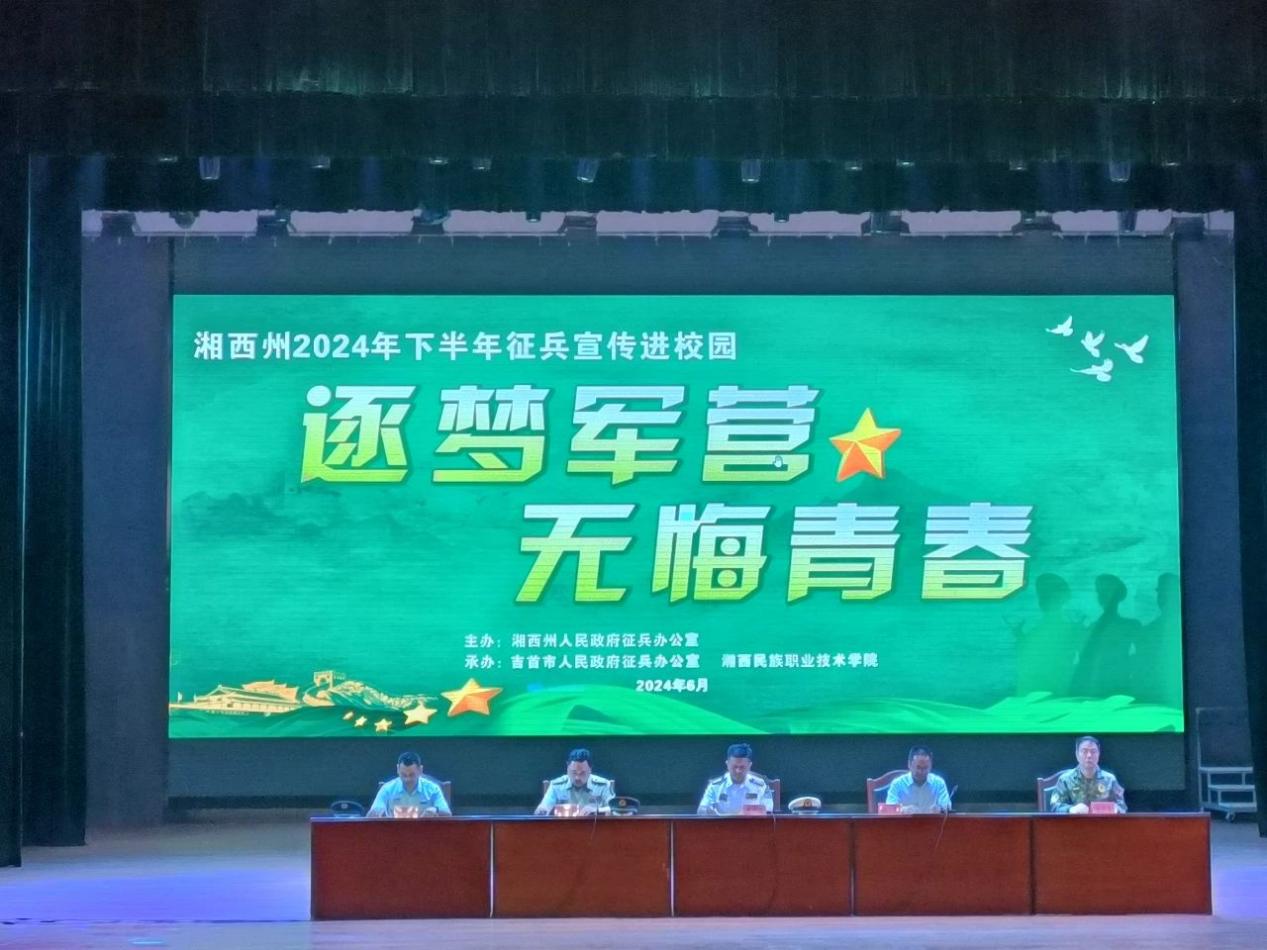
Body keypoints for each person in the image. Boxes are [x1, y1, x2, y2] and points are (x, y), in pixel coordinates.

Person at [1049, 735, 1127, 814]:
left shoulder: (1110, 779)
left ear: (1099, 754)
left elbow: (1122, 807)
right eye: (1084, 751)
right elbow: (1054, 806)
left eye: (1093, 751)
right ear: (1077, 754)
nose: (1089, 755)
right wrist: (1071, 809)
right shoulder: (1065, 779)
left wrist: (1113, 809)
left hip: (1102, 821)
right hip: (1075, 821)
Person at [366, 750, 451, 817]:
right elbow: (371, 815)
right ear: (398, 769)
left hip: (424, 831)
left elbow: (448, 813)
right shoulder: (387, 789)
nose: (407, 779)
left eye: (411, 775)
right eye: (403, 775)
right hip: (393, 831)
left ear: (420, 770)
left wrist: (435, 809)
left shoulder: (433, 789)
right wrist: (377, 812)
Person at [697, 741, 774, 815]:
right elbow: (701, 810)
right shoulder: (715, 786)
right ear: (727, 764)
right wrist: (707, 811)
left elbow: (768, 812)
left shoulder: (760, 786)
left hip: (751, 823)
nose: (738, 771)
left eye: (742, 767)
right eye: (734, 767)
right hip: (722, 823)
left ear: (749, 765)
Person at [535, 748, 615, 815]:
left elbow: (614, 809)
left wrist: (596, 810)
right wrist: (542, 810)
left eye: (582, 773)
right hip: (563, 827)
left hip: (594, 827)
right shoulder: (556, 786)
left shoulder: (603, 785)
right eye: (574, 773)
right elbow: (544, 808)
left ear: (590, 769)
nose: (577, 778)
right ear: (567, 768)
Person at [884, 745, 952, 814]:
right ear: (909, 764)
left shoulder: (939, 783)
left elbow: (947, 807)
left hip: (932, 821)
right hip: (906, 821)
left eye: (925, 768)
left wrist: (940, 809)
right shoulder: (897, 784)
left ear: (931, 766)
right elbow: (888, 810)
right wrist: (903, 810)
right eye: (918, 767)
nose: (921, 772)